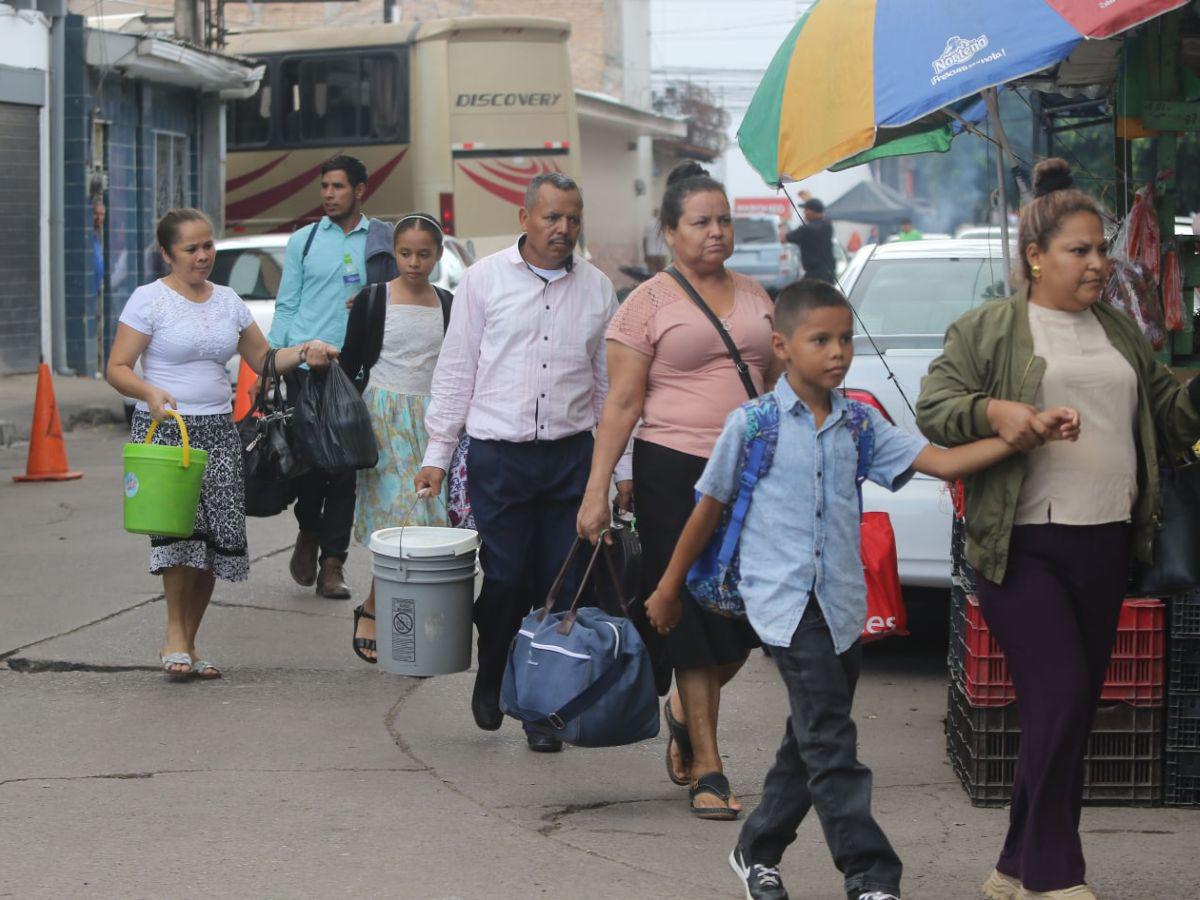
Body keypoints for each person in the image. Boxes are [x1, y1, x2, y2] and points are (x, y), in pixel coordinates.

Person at [643, 279, 1080, 900]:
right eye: (820, 340)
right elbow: (707, 507)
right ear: (782, 346)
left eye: (845, 339)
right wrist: (668, 588)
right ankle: (870, 874)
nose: (838, 352)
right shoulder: (755, 425)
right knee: (831, 741)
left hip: (844, 606)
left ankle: (756, 849)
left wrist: (1021, 434)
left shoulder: (859, 424)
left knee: (809, 740)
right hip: (785, 607)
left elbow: (942, 462)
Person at [916, 158, 1200, 900]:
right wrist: (999, 412)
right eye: (1080, 250)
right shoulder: (990, 328)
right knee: (1065, 695)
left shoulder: (1120, 330)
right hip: (1022, 544)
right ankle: (1053, 875)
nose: (1099, 263)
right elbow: (936, 407)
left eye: (1102, 249)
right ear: (1036, 257)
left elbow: (1171, 422)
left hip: (1107, 540)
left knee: (1063, 708)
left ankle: (1013, 867)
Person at [577, 161, 782, 819]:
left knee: (747, 619)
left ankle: (684, 716)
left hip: (751, 475)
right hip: (674, 471)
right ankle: (709, 769)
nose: (716, 232)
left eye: (723, 220)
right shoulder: (646, 304)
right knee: (691, 613)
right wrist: (598, 488)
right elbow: (621, 403)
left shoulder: (756, 294)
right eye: (700, 222)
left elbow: (774, 378)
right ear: (670, 231)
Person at [416, 172, 629, 754]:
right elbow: (457, 369)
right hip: (499, 457)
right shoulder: (484, 280)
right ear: (525, 218)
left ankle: (543, 708)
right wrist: (438, 453)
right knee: (507, 578)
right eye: (551, 217)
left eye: (573, 218)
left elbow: (611, 389)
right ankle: (491, 672)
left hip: (571, 458)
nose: (563, 228)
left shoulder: (598, 290)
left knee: (560, 584)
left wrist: (621, 469)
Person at [106, 208, 338, 680]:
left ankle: (189, 643)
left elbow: (264, 358)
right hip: (169, 431)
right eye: (191, 248)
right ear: (167, 253)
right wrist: (149, 392)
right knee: (179, 534)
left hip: (218, 430)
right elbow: (117, 368)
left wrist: (306, 350)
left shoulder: (228, 301)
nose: (203, 255)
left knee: (216, 541)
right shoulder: (149, 300)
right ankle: (174, 635)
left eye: (208, 245)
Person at [268, 154, 399, 600]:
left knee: (345, 469)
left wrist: (372, 301)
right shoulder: (303, 241)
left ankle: (332, 564)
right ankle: (308, 531)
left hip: (355, 369)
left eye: (338, 186)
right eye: (324, 186)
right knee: (308, 463)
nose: (328, 194)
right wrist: (273, 360)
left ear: (360, 190)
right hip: (305, 369)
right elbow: (287, 304)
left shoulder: (382, 241)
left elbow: (400, 295)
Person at [337, 213, 454, 664]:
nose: (414, 263)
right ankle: (375, 606)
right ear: (394, 254)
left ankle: (393, 610)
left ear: (438, 255)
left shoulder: (448, 304)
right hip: (382, 422)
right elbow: (350, 365)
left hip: (431, 424)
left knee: (426, 522)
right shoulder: (374, 299)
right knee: (397, 522)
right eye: (405, 253)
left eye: (424, 254)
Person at [785, 197, 836, 284]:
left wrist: (783, 223)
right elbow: (822, 214)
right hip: (828, 273)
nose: (804, 213)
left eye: (806, 210)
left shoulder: (806, 229)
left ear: (812, 211)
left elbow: (784, 238)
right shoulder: (828, 225)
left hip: (814, 275)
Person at [644, 207, 669, 272]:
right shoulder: (663, 224)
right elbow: (667, 239)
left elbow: (645, 240)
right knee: (662, 274)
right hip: (662, 253)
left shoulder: (648, 224)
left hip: (651, 253)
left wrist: (645, 254)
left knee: (651, 275)